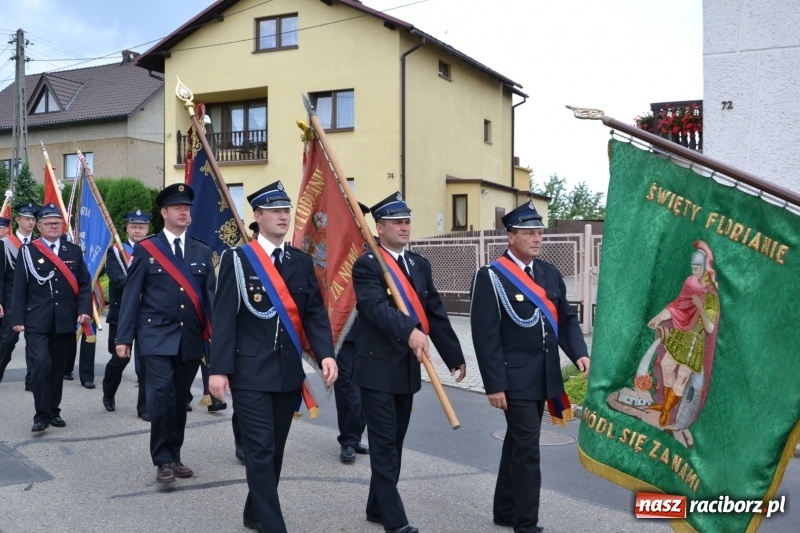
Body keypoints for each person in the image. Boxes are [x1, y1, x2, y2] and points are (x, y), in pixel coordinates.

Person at [209, 181, 338, 533]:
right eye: (275, 211)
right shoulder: (238, 260)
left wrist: (326, 354)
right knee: (261, 448)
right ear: (258, 216)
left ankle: (254, 511)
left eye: (286, 211)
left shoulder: (299, 261)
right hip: (249, 372)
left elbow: (314, 314)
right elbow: (223, 318)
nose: (283, 216)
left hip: (286, 372)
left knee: (275, 449)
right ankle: (272, 523)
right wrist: (218, 370)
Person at [470, 201, 590, 532]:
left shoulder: (549, 274)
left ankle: (505, 509)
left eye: (540, 233)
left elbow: (566, 320)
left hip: (545, 375)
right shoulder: (491, 277)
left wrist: (579, 352)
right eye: (529, 233)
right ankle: (526, 523)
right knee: (527, 448)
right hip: (513, 377)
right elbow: (485, 336)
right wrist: (494, 384)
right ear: (511, 237)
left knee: (518, 441)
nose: (537, 238)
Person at [352, 192, 466, 533]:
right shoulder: (368, 264)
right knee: (384, 443)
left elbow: (435, 311)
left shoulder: (419, 264)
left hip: (405, 369)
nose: (404, 227)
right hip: (376, 368)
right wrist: (409, 332)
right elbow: (375, 308)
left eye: (407, 221)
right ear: (380, 226)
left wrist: (454, 355)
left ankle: (376, 506)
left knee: (395, 442)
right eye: (396, 222)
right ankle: (394, 520)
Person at [116, 183, 215, 484]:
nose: (184, 212)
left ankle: (175, 454)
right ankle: (162, 460)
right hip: (155, 336)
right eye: (177, 208)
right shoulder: (147, 250)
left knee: (178, 399)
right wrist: (124, 338)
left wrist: (218, 338)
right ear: (164, 213)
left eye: (186, 208)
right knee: (161, 395)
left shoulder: (202, 250)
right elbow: (131, 296)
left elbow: (209, 298)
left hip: (189, 338)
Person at [12, 203, 92, 432]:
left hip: (65, 320)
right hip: (37, 319)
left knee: (57, 368)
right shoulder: (28, 251)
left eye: (57, 222)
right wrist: (17, 318)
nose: (54, 226)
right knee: (41, 364)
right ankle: (41, 415)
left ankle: (54, 411)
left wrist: (83, 309)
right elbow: (19, 287)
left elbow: (84, 284)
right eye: (48, 223)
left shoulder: (73, 251)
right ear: (39, 226)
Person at [646, 240, 719, 428]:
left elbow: (710, 327)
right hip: (681, 335)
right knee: (666, 365)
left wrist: (701, 307)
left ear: (705, 268)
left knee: (683, 377)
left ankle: (668, 412)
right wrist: (659, 317)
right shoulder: (690, 282)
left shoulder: (711, 296)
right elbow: (678, 305)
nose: (694, 270)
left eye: (697, 267)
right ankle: (664, 403)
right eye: (692, 267)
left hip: (695, 341)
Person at [102, 210, 151, 420]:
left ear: (148, 229)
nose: (138, 230)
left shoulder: (154, 250)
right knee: (120, 358)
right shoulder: (116, 251)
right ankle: (109, 391)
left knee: (147, 362)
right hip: (122, 312)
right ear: (127, 229)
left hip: (148, 313)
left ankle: (145, 407)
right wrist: (140, 288)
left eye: (141, 227)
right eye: (134, 227)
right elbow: (116, 276)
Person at [0, 202, 39, 388]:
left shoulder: (39, 245)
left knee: (35, 343)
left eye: (33, 219)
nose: (30, 222)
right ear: (17, 220)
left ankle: (32, 380)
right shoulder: (5, 244)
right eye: (27, 218)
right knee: (8, 341)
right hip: (11, 300)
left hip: (34, 300)